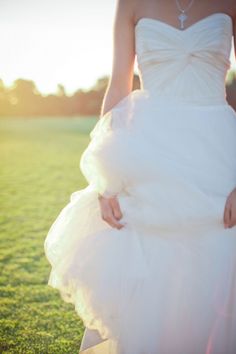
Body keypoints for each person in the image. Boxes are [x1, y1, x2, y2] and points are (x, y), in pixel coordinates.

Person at [44, 0, 236, 353]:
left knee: (220, 259)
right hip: (148, 151)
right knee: (153, 272)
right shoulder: (130, 3)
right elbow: (118, 88)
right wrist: (107, 177)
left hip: (220, 152)